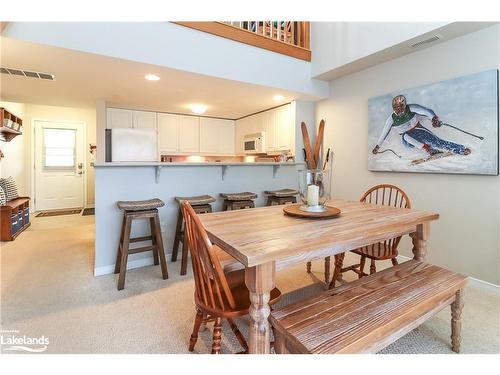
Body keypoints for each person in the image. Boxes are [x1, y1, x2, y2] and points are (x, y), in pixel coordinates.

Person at [372, 95, 471, 156]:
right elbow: (384, 133)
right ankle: (428, 149)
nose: (399, 110)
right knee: (405, 136)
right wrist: (377, 146)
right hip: (408, 140)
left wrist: (434, 119)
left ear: (404, 105)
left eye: (401, 107)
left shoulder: (411, 108)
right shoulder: (391, 119)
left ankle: (461, 150)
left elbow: (426, 111)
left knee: (438, 142)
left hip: (419, 130)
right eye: (396, 108)